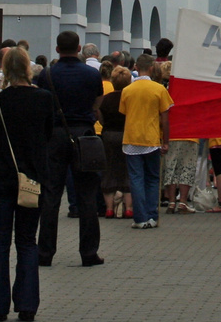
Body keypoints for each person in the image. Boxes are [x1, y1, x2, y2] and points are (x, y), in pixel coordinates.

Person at [0, 47, 60, 322]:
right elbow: (48, 134)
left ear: (5, 69)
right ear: (28, 69)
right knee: (27, 240)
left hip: (2, 174)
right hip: (33, 176)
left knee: (0, 240)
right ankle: (27, 304)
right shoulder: (44, 98)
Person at [37, 32, 106, 264]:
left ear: (57, 49)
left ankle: (45, 253)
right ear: (78, 48)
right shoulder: (91, 74)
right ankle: (88, 252)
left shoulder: (47, 74)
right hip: (84, 134)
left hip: (55, 135)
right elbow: (97, 104)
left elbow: (43, 103)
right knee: (86, 194)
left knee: (51, 195)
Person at [119, 63, 174, 229]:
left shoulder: (127, 90)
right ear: (151, 68)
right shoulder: (159, 89)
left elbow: (124, 113)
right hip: (151, 139)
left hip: (131, 139)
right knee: (152, 179)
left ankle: (140, 218)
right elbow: (165, 118)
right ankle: (152, 216)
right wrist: (166, 141)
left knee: (136, 179)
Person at [98, 67, 132, 218]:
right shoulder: (130, 97)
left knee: (109, 171)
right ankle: (129, 208)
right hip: (126, 135)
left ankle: (109, 209)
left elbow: (100, 117)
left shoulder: (106, 99)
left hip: (109, 135)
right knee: (127, 171)